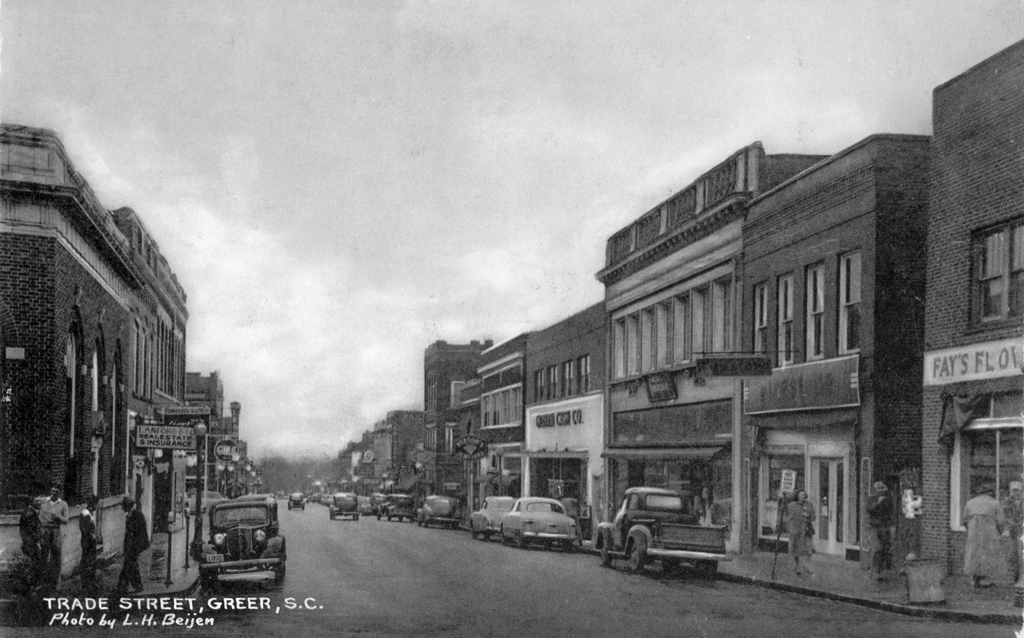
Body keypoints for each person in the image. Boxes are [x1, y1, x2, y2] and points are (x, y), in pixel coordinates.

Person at [963, 484, 1003, 588]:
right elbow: (1001, 522)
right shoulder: (995, 503)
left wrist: (970, 530)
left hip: (973, 534)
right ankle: (986, 581)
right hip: (989, 534)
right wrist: (999, 532)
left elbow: (965, 520)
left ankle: (974, 579)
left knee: (973, 555)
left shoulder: (970, 503)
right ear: (990, 493)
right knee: (988, 556)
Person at [116, 495, 149, 594]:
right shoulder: (129, 515)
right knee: (130, 566)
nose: (123, 509)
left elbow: (140, 533)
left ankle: (124, 587)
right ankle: (129, 586)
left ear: (129, 506)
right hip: (130, 545)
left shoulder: (138, 515)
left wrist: (134, 547)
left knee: (128, 566)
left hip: (135, 545)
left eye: (125, 507)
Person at [38, 486, 69, 590]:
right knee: (43, 554)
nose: (54, 493)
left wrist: (58, 517)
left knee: (56, 556)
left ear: (60, 492)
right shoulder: (43, 501)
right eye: (52, 491)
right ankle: (42, 582)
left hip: (56, 531)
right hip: (44, 530)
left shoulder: (63, 504)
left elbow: (66, 520)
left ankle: (56, 583)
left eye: (56, 491)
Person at [866, 481, 895, 580]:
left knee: (885, 549)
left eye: (881, 491)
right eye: (878, 491)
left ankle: (882, 571)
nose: (880, 493)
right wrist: (878, 502)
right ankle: (875, 571)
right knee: (876, 548)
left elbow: (890, 513)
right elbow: (869, 509)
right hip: (874, 527)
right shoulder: (871, 499)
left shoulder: (888, 500)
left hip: (884, 527)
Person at [785, 490, 816, 576]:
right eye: (801, 494)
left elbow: (814, 517)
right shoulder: (791, 506)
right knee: (795, 549)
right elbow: (786, 517)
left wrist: (808, 516)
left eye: (804, 494)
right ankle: (797, 566)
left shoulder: (809, 505)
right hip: (796, 531)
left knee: (809, 549)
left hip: (806, 531)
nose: (803, 496)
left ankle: (806, 566)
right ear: (797, 496)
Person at [18, 496, 42, 588]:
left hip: (29, 542)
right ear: (32, 503)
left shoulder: (32, 512)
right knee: (31, 565)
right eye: (37, 501)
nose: (40, 503)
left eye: (40, 501)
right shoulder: (30, 514)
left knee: (31, 564)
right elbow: (30, 530)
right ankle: (29, 587)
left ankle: (29, 586)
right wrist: (38, 541)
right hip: (30, 543)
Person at [1002, 481, 1024, 583]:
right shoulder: (1007, 502)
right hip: (1013, 532)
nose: (1016, 493)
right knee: (1013, 555)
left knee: (1020, 555)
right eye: (1014, 491)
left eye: (1018, 491)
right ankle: (1014, 577)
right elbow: (1004, 515)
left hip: (1021, 531)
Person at [79, 495, 99, 595]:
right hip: (88, 542)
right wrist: (92, 538)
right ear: (93, 504)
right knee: (88, 561)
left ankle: (89, 582)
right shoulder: (86, 514)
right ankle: (87, 583)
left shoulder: (88, 513)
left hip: (88, 541)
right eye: (96, 504)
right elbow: (86, 530)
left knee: (89, 561)